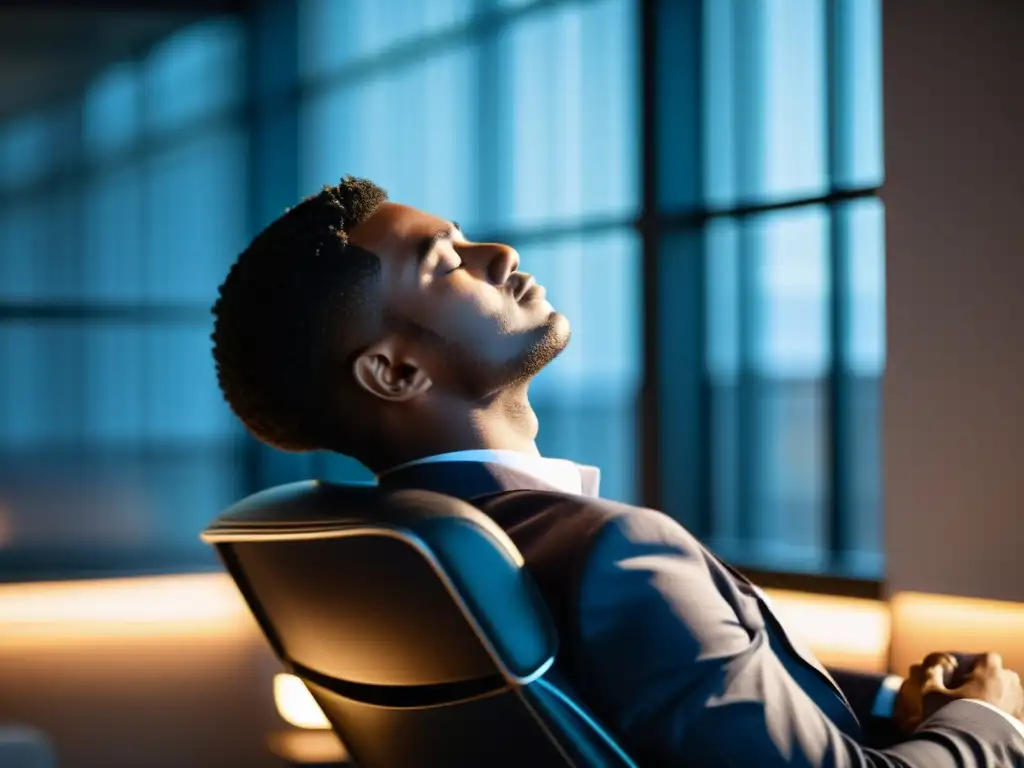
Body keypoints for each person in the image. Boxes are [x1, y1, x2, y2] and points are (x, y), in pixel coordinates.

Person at [211, 177, 1024, 766]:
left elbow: (677, 670)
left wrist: (888, 702)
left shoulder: (427, 559)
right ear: (394, 375)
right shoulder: (619, 555)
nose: (499, 253)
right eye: (447, 262)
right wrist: (987, 722)